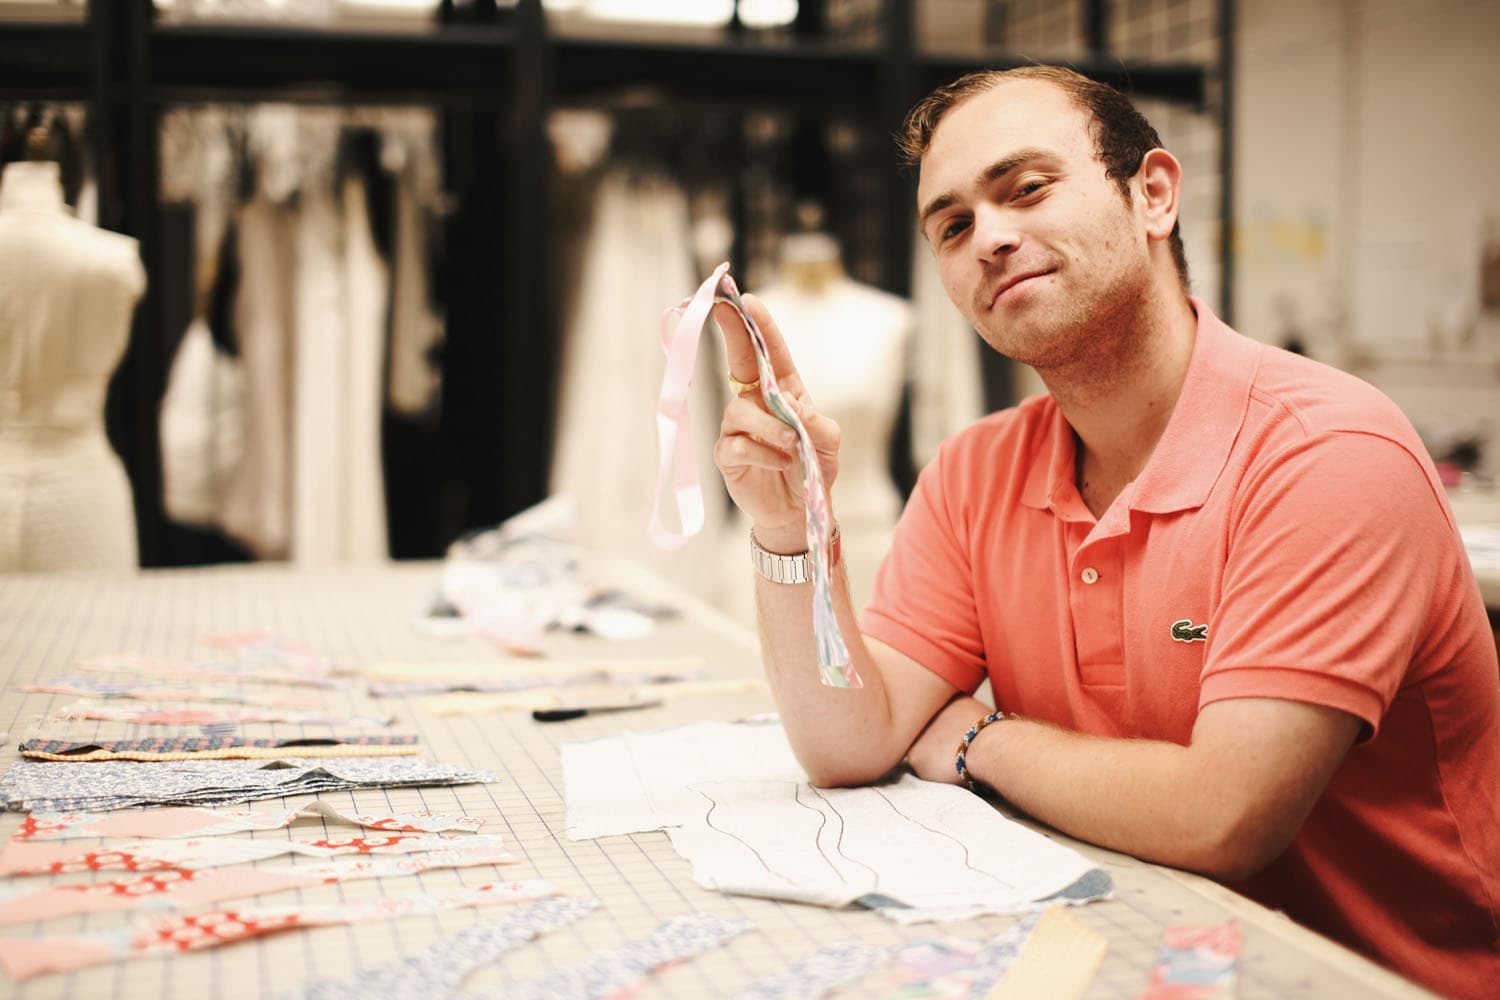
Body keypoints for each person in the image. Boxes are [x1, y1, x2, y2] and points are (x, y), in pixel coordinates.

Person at [710, 66, 1499, 999]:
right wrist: (785, 523)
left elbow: (1225, 815)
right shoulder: (975, 472)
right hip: (1137, 950)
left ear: (1154, 194)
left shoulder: (1327, 454)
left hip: (1382, 980)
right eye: (953, 226)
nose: (991, 238)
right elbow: (850, 743)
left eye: (1027, 188)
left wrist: (977, 741)